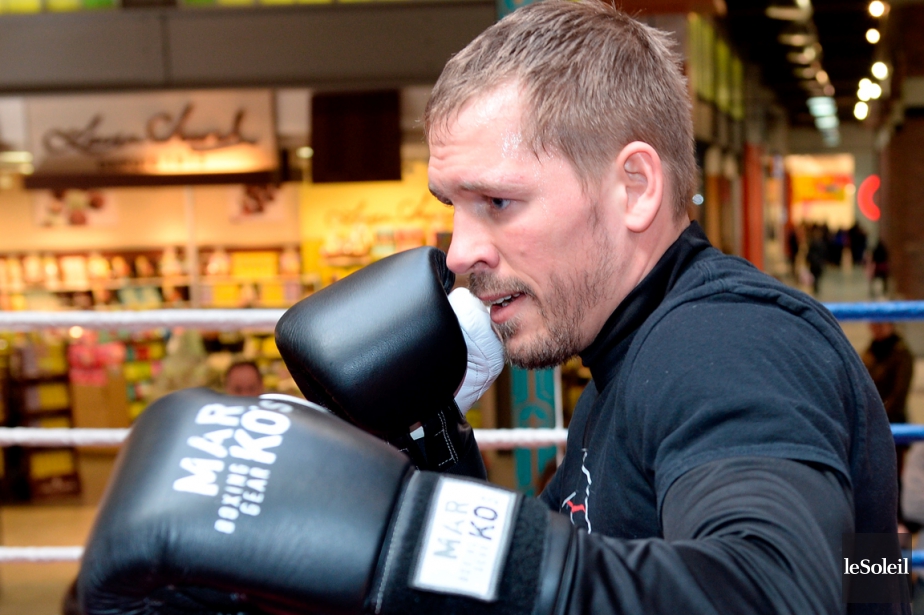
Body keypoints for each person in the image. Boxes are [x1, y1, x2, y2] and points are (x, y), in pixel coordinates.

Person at [77, 2, 905, 615]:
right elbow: (861, 570)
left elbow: (781, 592)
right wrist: (431, 446)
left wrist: (414, 532)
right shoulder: (628, 356)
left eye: (498, 202)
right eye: (454, 206)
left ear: (634, 186)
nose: (459, 250)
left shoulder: (729, 344)